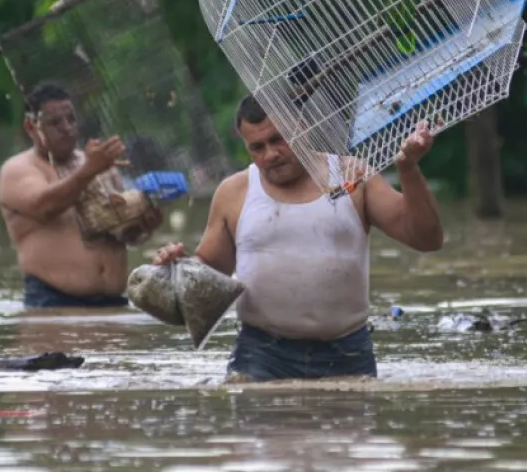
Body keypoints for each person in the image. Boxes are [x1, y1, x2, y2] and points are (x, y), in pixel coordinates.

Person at [153, 94, 444, 382]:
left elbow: (427, 239)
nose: (270, 154)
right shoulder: (234, 192)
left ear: (303, 128)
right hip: (261, 353)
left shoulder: (352, 176)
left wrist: (408, 170)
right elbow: (210, 269)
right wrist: (179, 267)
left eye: (278, 140)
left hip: (346, 351)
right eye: (257, 147)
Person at [0, 82, 164, 308]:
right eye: (55, 122)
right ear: (31, 126)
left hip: (114, 303)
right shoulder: (19, 169)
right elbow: (45, 206)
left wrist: (143, 227)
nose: (67, 128)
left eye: (71, 119)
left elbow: (123, 235)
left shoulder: (100, 164)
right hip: (52, 304)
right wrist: (89, 171)